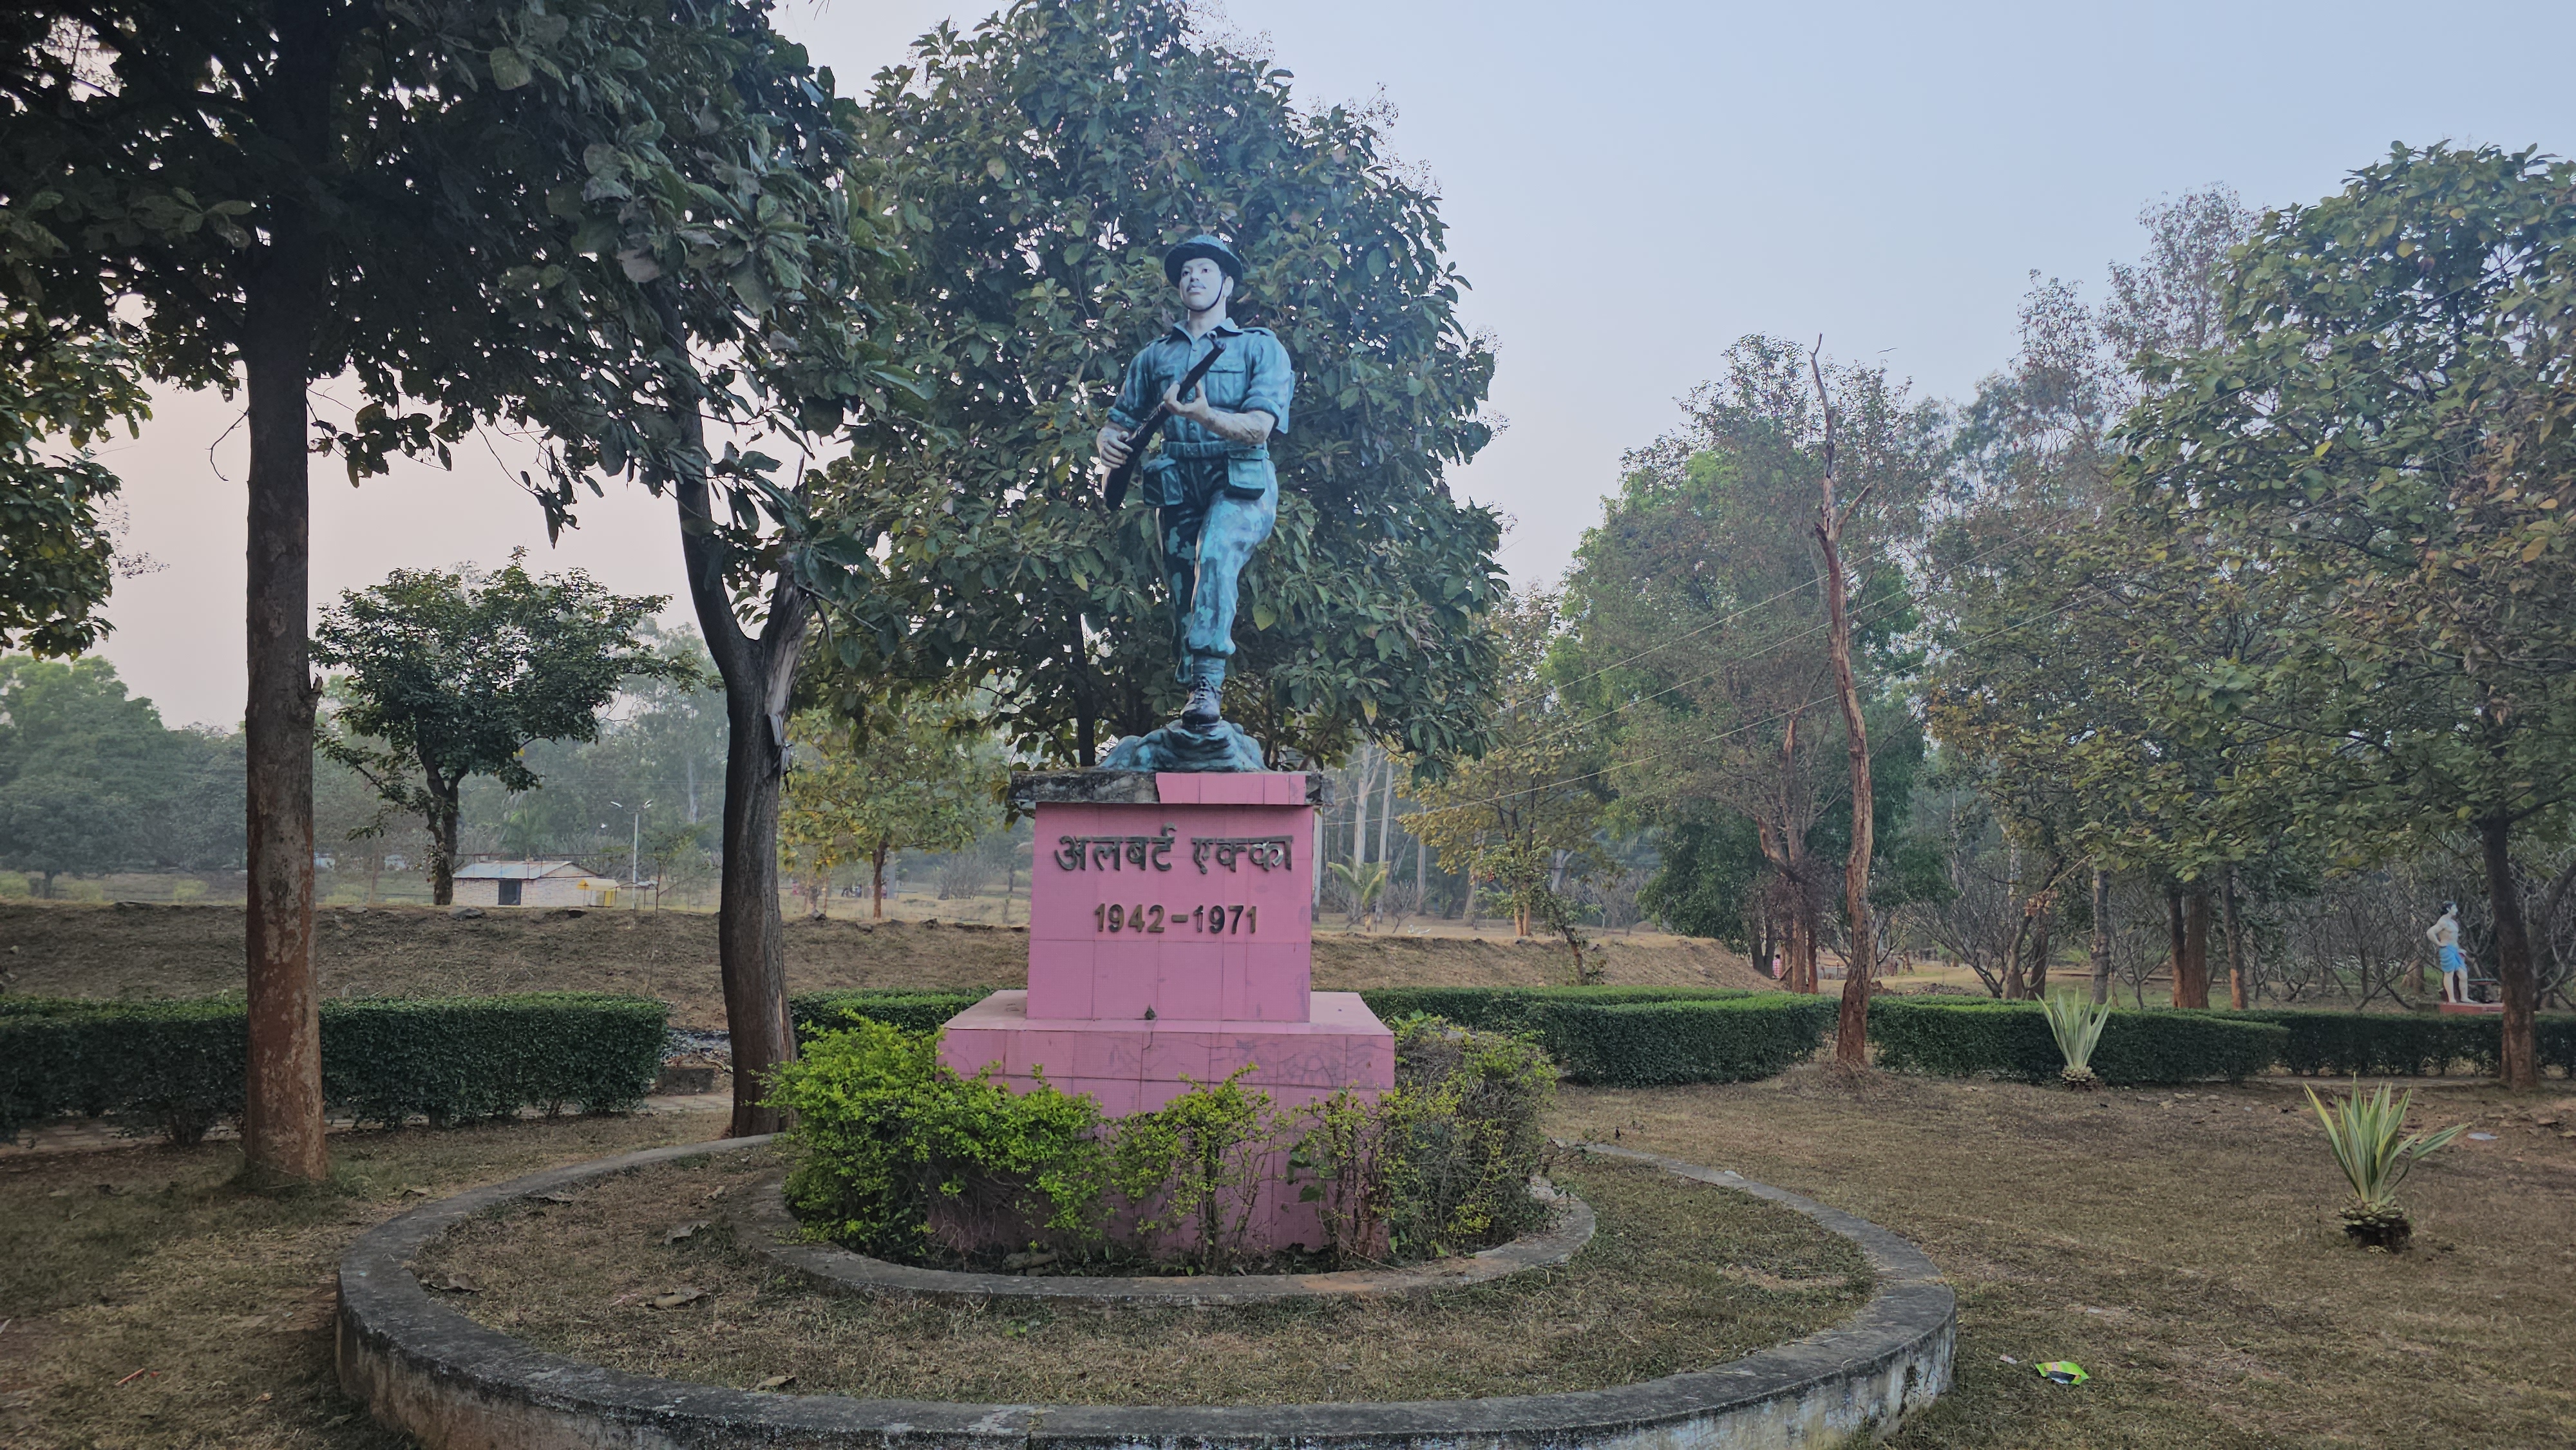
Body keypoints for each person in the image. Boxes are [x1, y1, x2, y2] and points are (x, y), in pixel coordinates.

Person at [1095, 234, 1294, 730]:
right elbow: (1120, 419)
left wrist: (1206, 416)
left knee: (1216, 553)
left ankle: (1208, 683)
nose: (1193, 278)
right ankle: (1193, 684)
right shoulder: (1155, 357)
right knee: (1184, 591)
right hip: (1179, 482)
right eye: (1185, 273)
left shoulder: (1257, 347)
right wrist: (1108, 443)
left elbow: (1259, 428)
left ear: (1226, 283)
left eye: (1204, 270)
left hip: (1239, 478)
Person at [2426, 902, 2468, 1004]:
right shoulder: (2443, 922)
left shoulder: (2453, 923)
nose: (2457, 910)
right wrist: (2438, 943)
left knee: (2463, 975)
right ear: (2449, 909)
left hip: (2455, 950)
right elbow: (2430, 932)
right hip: (2447, 949)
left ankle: (2464, 997)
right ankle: (2451, 998)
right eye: (2454, 908)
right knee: (2449, 973)